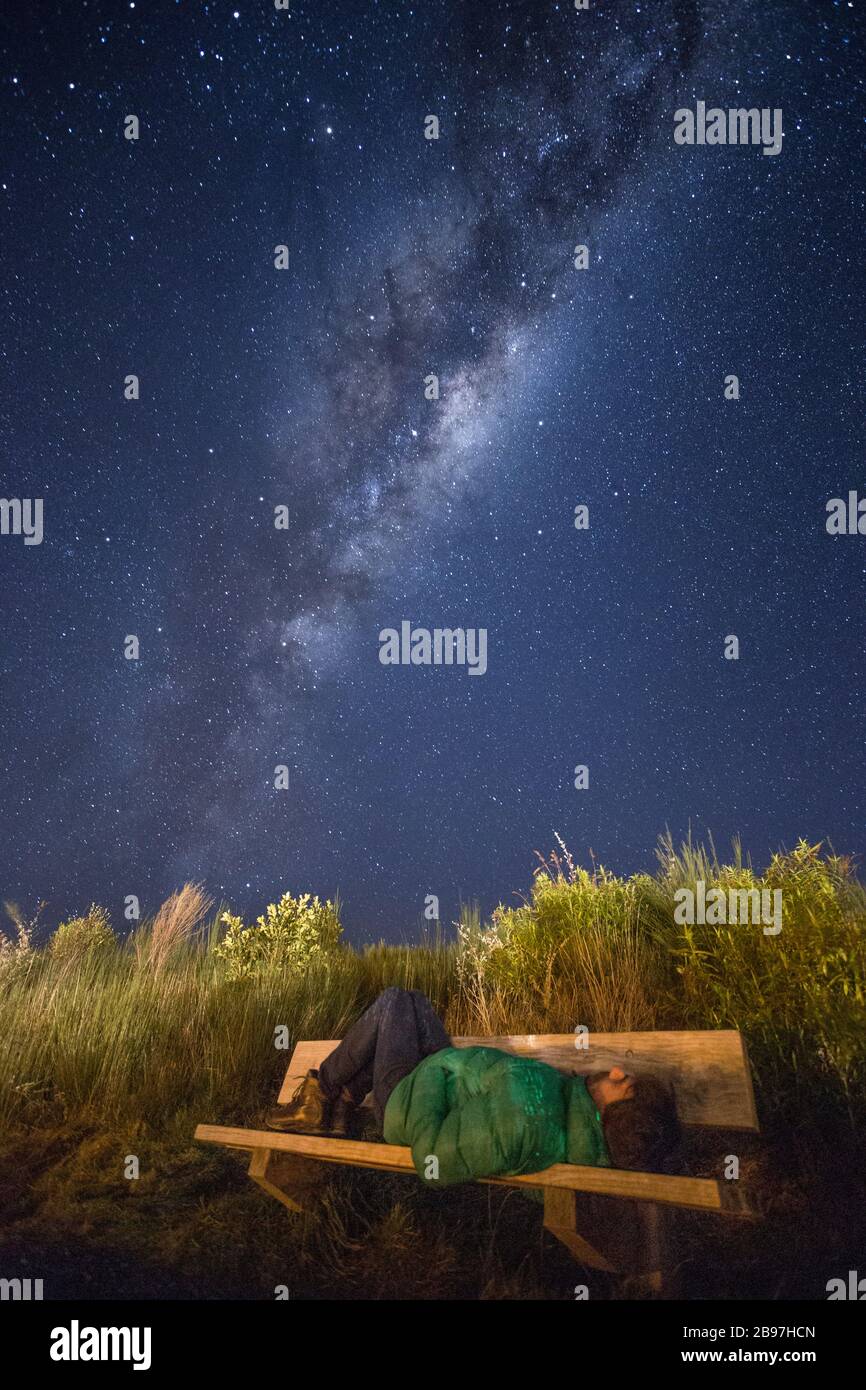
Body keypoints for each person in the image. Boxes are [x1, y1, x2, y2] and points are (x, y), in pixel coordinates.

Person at [265, 986, 681, 1185]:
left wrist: (427, 1079)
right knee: (414, 1003)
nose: (618, 1072)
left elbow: (433, 1157)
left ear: (615, 1111)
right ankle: (338, 1103)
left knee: (394, 1002)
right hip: (442, 1076)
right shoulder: (567, 1109)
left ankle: (320, 1094)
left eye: (625, 1084)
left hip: (407, 1102)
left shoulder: (527, 1123)